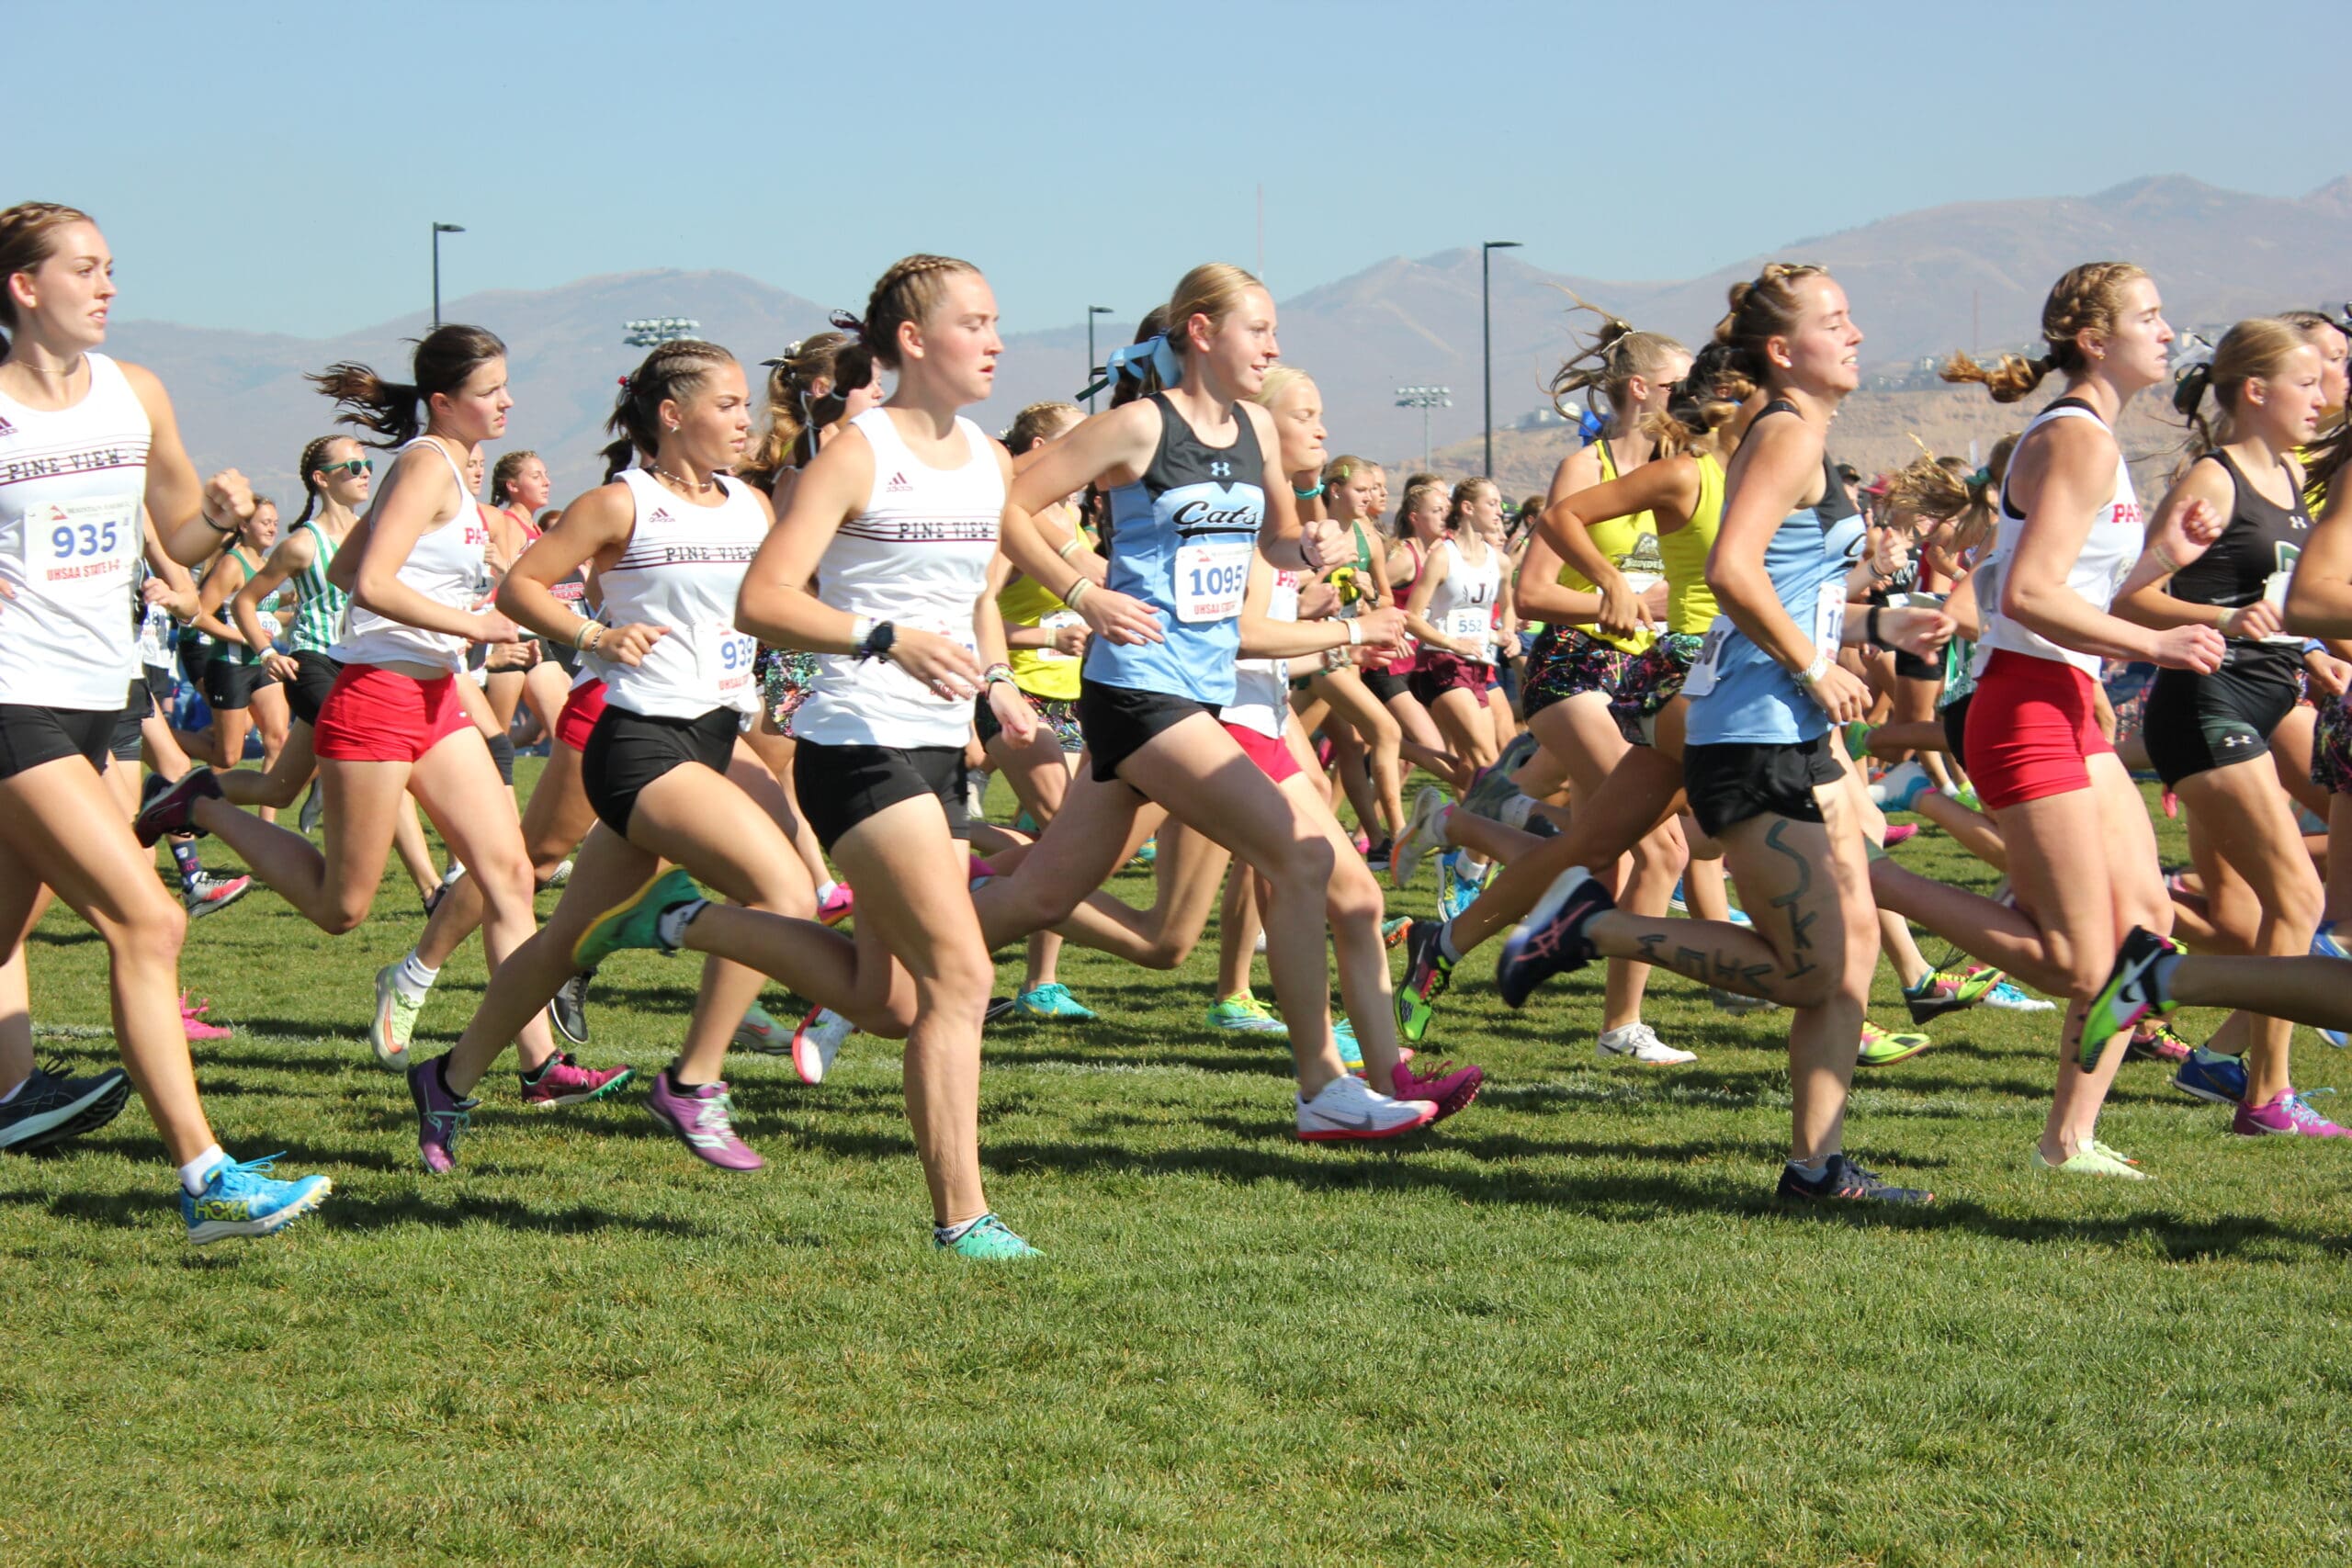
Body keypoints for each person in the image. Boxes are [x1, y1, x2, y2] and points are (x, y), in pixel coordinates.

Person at [557, 257, 1036, 1256]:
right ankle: (963, 1220)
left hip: (940, 749)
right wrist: (882, 636)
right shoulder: (857, 454)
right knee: (962, 979)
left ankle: (680, 918)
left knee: (889, 1003)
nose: (995, 339)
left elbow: (995, 582)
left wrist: (1005, 675)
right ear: (912, 339)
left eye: (997, 322)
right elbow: (764, 599)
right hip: (854, 740)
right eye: (976, 322)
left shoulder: (987, 457)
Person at [1494, 264, 1947, 1204]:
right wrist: (1814, 666)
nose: (1856, 332)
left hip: (1791, 723)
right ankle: (1591, 924)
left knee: (1853, 948)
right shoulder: (1784, 434)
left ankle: (1815, 1168)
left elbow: (1779, 587)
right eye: (1836, 319)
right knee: (1809, 970)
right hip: (1751, 731)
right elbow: (1736, 571)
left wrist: (1863, 632)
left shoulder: (1803, 434)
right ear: (1783, 351)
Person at [407, 336, 909, 1175]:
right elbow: (521, 587)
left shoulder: (751, 507)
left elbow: (782, 594)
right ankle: (694, 1081)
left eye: (748, 405)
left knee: (565, 940)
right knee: (783, 886)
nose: (743, 419)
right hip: (637, 742)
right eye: (726, 405)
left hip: (716, 734)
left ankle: (448, 1078)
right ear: (672, 416)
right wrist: (595, 632)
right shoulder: (620, 502)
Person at [136, 324, 598, 1103]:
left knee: (509, 873)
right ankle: (204, 803)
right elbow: (371, 585)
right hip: (377, 696)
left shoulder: (443, 463)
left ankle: (539, 1065)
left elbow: (351, 563)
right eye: (491, 391)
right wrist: (474, 624)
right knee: (339, 906)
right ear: (446, 403)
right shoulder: (426, 464)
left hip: (434, 696)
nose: (508, 401)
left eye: (505, 386)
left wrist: (453, 617)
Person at [0, 199, 329, 1236]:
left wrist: (219, 520)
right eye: (87, 270)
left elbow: (176, 541)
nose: (108, 287)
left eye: (111, 270)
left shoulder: (133, 392)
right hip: (12, 697)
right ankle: (206, 1182)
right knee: (149, 917)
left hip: (104, 697)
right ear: (24, 287)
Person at [1860, 262, 2227, 1176]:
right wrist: (2156, 646)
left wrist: (2154, 567)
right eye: (2149, 315)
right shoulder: (2079, 440)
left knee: (2144, 921)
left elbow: (2044, 584)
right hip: (2024, 707)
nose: (2167, 329)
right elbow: (2025, 595)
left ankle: (2068, 1139)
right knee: (2078, 960)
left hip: (2062, 697)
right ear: (2095, 341)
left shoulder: (2091, 437)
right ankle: (1863, 871)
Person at [2111, 318, 2331, 1134]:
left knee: (2292, 898)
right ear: (2256, 391)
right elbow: (2131, 598)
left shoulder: (2290, 478)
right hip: (2207, 707)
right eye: (2306, 383)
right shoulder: (2216, 478)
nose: (2321, 397)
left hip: (2272, 697)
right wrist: (2226, 614)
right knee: (2298, 894)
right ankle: (2263, 1095)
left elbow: (2278, 599)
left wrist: (2315, 657)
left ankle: (2226, 1059)